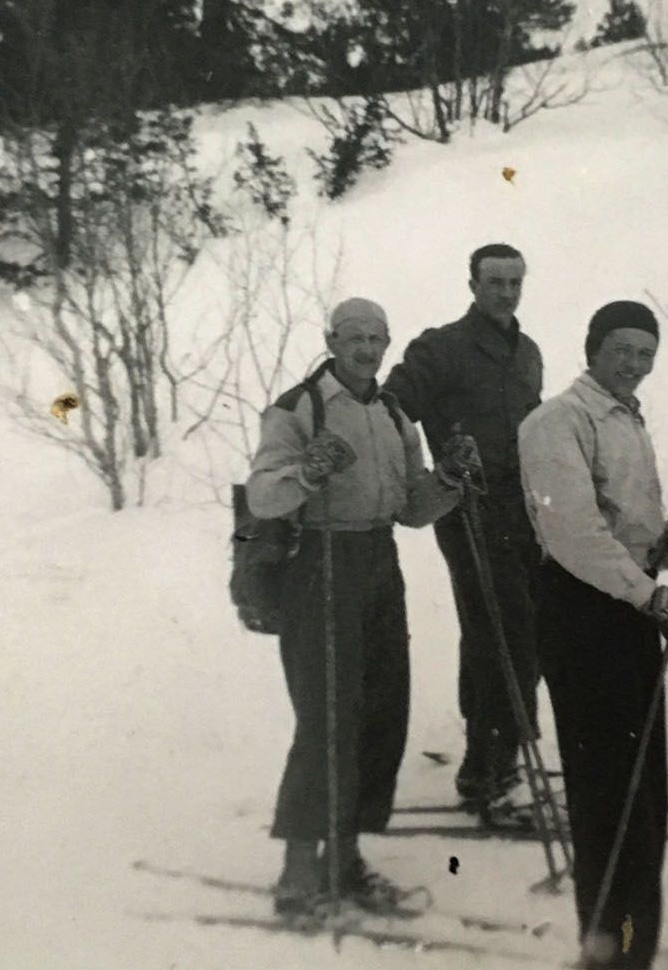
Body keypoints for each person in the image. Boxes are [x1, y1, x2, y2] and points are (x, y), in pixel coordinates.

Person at [518, 301, 668, 969]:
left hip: (630, 614)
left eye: (645, 353)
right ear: (592, 348)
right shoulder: (556, 422)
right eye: (622, 349)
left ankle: (634, 946)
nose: (634, 363)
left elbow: (638, 542)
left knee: (644, 789)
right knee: (607, 794)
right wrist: (652, 597)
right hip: (583, 615)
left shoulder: (627, 421)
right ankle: (607, 951)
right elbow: (576, 537)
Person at [245, 297, 479, 916]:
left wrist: (449, 479)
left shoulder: (393, 413)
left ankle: (344, 861)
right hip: (319, 566)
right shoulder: (301, 407)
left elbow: (410, 509)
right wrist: (309, 473)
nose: (366, 348)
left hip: (378, 564)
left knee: (379, 714)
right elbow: (264, 495)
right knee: (326, 717)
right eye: (354, 337)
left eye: (377, 338)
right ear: (331, 340)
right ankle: (299, 872)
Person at [383, 242, 546, 826]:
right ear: (473, 284)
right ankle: (491, 771)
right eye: (495, 281)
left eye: (515, 281)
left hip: (523, 509)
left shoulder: (527, 353)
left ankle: (492, 754)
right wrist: (427, 466)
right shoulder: (441, 347)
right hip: (469, 506)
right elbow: (393, 403)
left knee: (499, 630)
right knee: (505, 631)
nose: (506, 292)